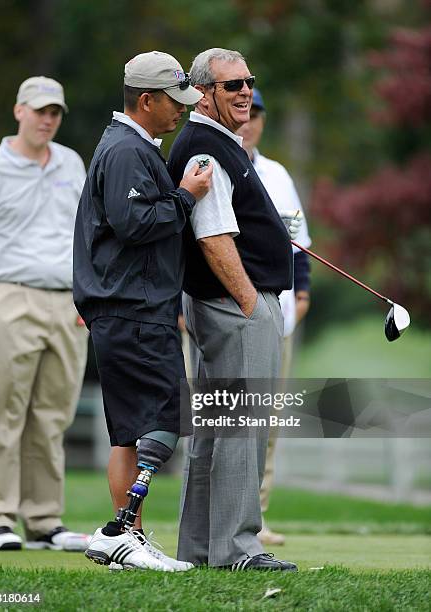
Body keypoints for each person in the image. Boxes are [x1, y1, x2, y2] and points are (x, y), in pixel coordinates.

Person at [73, 51, 212, 572]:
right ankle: (120, 531)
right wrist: (186, 195)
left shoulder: (131, 146)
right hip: (132, 309)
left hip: (128, 308)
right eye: (173, 101)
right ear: (146, 100)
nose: (181, 111)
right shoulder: (128, 150)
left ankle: (125, 534)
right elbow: (135, 224)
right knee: (166, 415)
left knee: (130, 429)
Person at [167, 48, 298, 572]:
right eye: (232, 85)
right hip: (234, 307)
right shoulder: (206, 148)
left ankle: (200, 551)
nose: (245, 91)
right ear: (203, 93)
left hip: (222, 308)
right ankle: (239, 551)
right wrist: (251, 305)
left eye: (249, 82)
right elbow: (214, 237)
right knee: (242, 429)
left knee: (216, 430)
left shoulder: (218, 142)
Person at [0, 77, 90, 552]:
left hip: (66, 303)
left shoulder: (70, 162)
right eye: (40, 110)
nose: (48, 120)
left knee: (52, 417)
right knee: (1, 414)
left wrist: (88, 297)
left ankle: (44, 521)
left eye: (55, 112)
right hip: (8, 296)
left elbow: (88, 234)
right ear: (19, 110)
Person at [237, 89, 312, 546]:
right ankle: (212, 513)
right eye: (245, 111)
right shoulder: (208, 162)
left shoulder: (278, 174)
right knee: (218, 418)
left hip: (276, 315)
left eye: (257, 114)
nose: (250, 121)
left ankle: (255, 518)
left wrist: (301, 294)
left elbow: (297, 239)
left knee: (265, 423)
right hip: (217, 313)